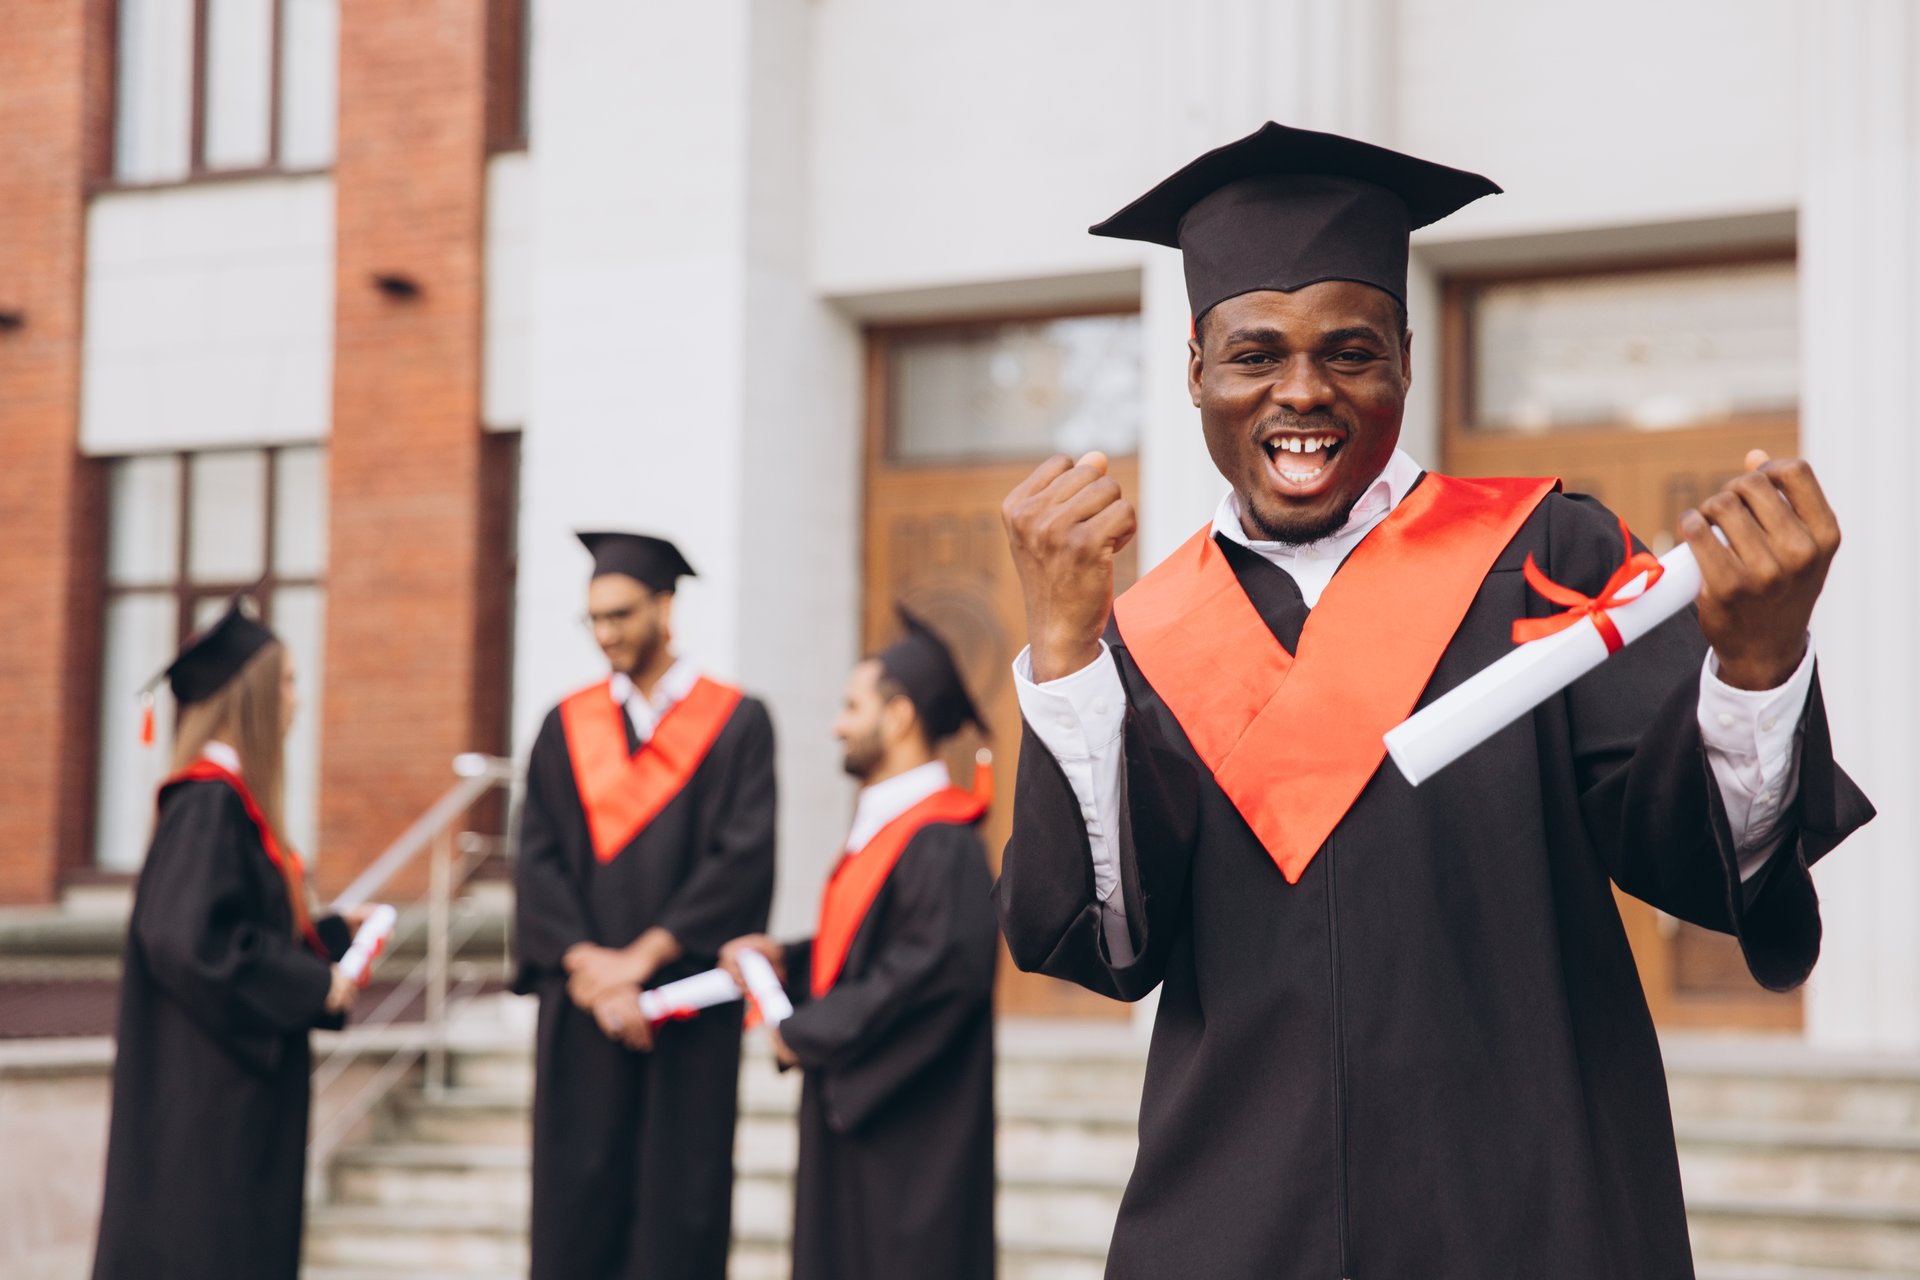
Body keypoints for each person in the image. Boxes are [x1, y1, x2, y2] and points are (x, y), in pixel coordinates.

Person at [994, 121, 1875, 1279]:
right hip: (1241, 1216)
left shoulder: (1547, 556)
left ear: (1406, 355)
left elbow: (1705, 859)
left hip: (1526, 1201)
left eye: (1349, 351)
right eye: (1257, 354)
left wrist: (1756, 664)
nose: (1303, 393)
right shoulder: (1146, 639)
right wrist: (1064, 653)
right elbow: (1108, 943)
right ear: (1197, 367)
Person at [512, 531, 777, 1280]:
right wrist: (592, 970)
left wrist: (642, 961)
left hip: (684, 1009)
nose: (606, 635)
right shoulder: (565, 725)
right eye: (593, 619)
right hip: (585, 1008)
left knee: (678, 1206)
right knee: (577, 1201)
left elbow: (742, 862)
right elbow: (537, 860)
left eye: (621, 615)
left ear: (666, 607)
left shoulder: (737, 723)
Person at [92, 601, 368, 1280]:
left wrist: (328, 936)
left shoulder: (223, 804)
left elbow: (227, 928)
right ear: (249, 698)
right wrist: (313, 984)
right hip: (211, 1116)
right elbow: (190, 941)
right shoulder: (211, 803)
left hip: (221, 1102)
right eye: (287, 682)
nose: (297, 701)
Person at [721, 607, 998, 1280]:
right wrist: (789, 961)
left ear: (899, 717)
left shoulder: (940, 840)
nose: (836, 724)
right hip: (859, 1119)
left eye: (851, 707)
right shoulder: (893, 828)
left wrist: (808, 1031)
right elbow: (877, 944)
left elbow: (933, 971)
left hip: (911, 1135)